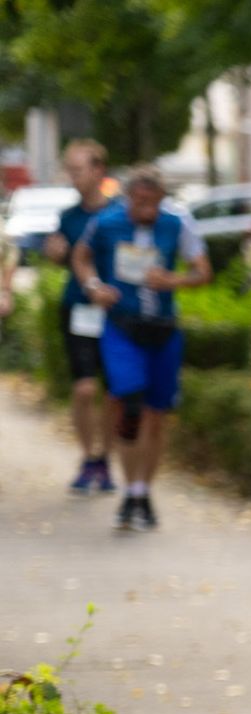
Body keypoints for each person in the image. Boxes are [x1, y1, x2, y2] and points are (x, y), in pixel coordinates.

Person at [72, 164, 209, 531]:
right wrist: (95, 287)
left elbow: (202, 271)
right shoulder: (107, 221)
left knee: (156, 417)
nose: (147, 210)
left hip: (163, 329)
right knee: (129, 403)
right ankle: (129, 484)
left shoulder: (178, 222)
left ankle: (139, 492)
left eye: (154, 202)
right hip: (122, 327)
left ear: (163, 200)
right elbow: (80, 257)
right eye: (140, 202)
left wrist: (173, 280)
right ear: (128, 197)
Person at [46, 139, 118, 496]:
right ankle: (89, 457)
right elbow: (59, 255)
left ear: (98, 170)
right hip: (77, 309)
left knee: (114, 393)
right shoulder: (68, 217)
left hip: (116, 312)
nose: (72, 177)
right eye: (69, 170)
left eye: (78, 169)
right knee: (85, 387)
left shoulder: (119, 214)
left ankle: (105, 458)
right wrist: (55, 253)